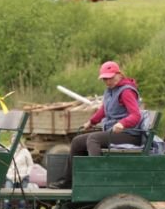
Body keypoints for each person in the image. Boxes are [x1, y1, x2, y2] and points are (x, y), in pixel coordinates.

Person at [49, 61, 142, 189]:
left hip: (129, 134)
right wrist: (91, 122)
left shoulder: (126, 91)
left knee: (94, 139)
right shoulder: (110, 91)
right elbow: (104, 110)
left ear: (119, 74)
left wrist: (122, 123)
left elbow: (136, 115)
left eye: (110, 78)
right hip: (113, 132)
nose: (107, 81)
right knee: (77, 141)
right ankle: (69, 182)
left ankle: (97, 179)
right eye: (105, 79)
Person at [4, 134, 34, 209]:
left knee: (22, 198)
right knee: (7, 195)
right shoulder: (8, 150)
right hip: (10, 176)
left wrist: (27, 173)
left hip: (23, 176)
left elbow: (30, 164)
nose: (14, 141)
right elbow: (4, 163)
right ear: (11, 141)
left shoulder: (25, 151)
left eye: (16, 140)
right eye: (13, 140)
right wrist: (7, 173)